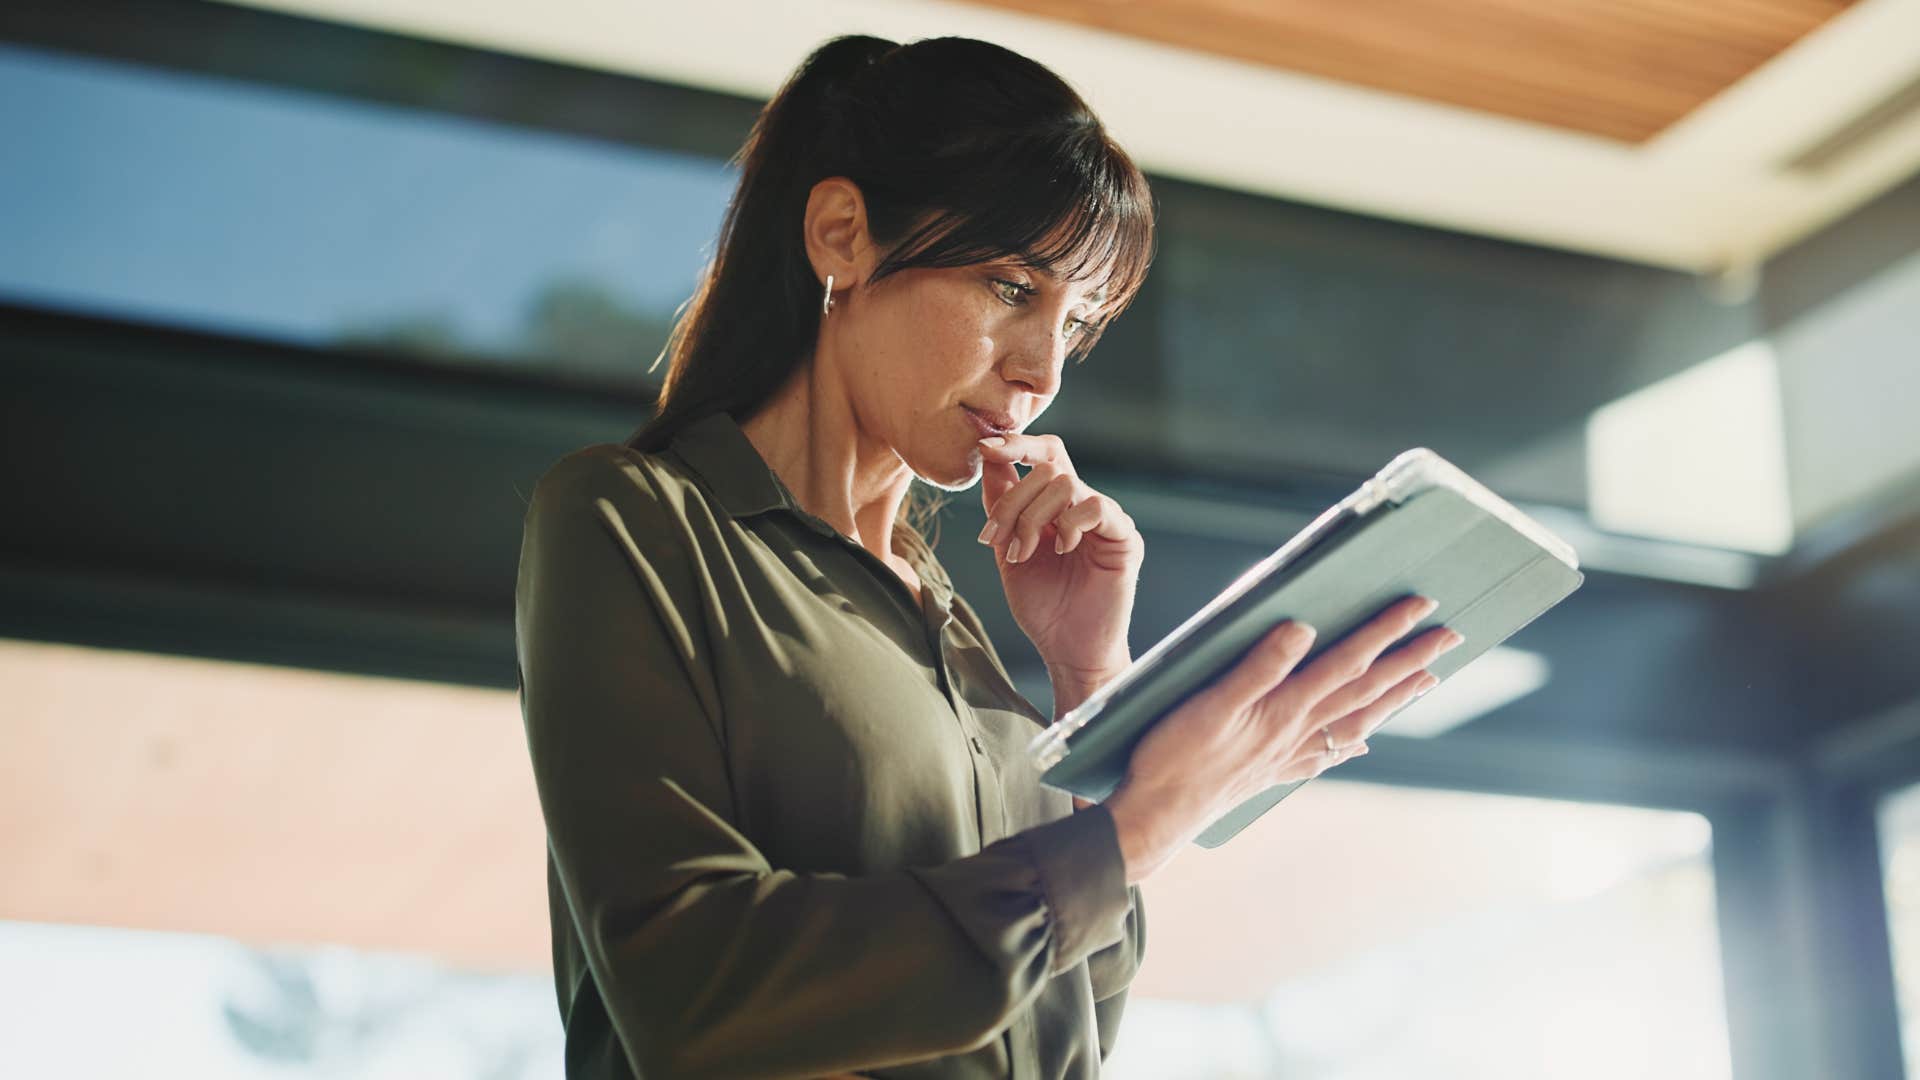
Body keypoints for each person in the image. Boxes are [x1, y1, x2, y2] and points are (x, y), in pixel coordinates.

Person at [513, 32, 1462, 1080]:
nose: (1042, 368)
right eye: (1013, 288)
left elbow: (1075, 1033)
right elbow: (694, 996)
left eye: (1078, 319)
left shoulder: (955, 622)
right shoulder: (636, 519)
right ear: (842, 236)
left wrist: (1089, 686)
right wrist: (1140, 829)